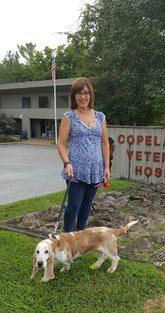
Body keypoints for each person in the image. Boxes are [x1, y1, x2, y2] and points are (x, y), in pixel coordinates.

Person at [58, 77, 110, 232]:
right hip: (75, 171)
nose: (83, 97)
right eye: (79, 93)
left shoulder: (100, 117)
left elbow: (105, 143)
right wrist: (67, 163)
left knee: (86, 207)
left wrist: (107, 167)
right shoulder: (69, 117)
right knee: (74, 206)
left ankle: (80, 238)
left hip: (95, 170)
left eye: (86, 93)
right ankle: (67, 241)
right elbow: (60, 143)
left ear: (90, 95)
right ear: (74, 96)